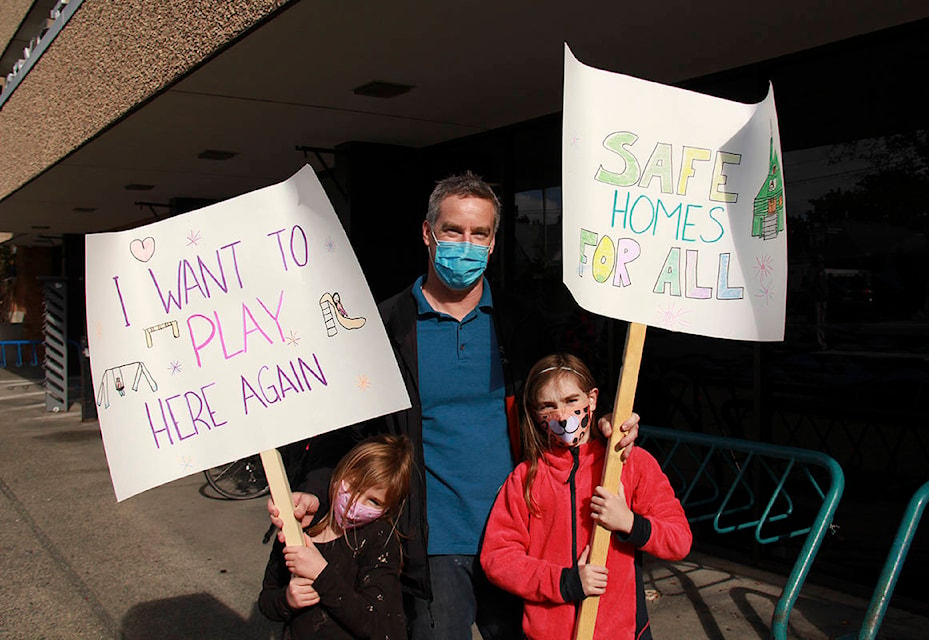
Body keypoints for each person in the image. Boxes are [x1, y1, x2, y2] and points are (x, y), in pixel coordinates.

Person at [270, 172, 640, 640]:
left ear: (492, 242)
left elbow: (560, 405)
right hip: (432, 546)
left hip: (522, 536)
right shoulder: (383, 327)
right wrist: (316, 488)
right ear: (428, 233)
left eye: (479, 233)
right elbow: (347, 434)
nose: (465, 244)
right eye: (452, 231)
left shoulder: (520, 323)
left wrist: (606, 423)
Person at [480, 354, 692, 640]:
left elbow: (679, 540)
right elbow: (498, 558)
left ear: (592, 399)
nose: (562, 416)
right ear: (534, 413)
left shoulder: (629, 464)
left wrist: (630, 522)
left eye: (571, 401)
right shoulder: (525, 477)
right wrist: (564, 582)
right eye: (548, 406)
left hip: (622, 632)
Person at [259, 434, 414, 640]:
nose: (356, 502)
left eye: (374, 501)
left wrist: (321, 575)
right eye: (354, 486)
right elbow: (267, 599)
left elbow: (383, 628)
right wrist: (287, 599)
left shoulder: (379, 539)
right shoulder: (300, 528)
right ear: (338, 475)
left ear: (388, 509)